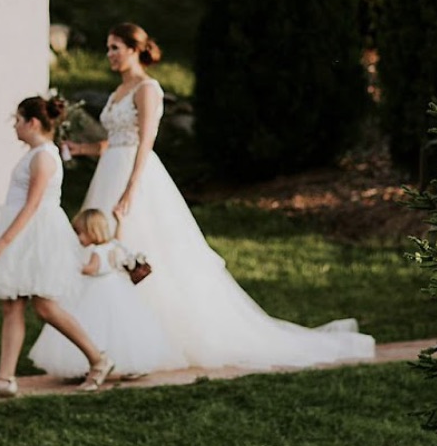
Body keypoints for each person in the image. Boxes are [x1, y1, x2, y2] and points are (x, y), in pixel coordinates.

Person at [65, 23, 375, 369]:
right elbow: (115, 141)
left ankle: (152, 340)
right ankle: (106, 340)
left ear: (135, 49)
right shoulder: (118, 91)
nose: (109, 54)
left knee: (140, 252)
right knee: (104, 251)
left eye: (115, 47)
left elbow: (146, 141)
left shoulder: (147, 88)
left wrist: (130, 190)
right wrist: (81, 148)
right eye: (108, 47)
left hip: (134, 176)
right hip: (109, 173)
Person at [0, 95, 115, 400]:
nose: (15, 126)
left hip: (35, 236)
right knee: (12, 305)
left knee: (45, 306)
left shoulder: (44, 157)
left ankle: (98, 359)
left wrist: (4, 240)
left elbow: (33, 204)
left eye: (18, 120)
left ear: (33, 123)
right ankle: (4, 379)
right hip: (25, 234)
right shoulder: (36, 154)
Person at [29, 208, 182, 380]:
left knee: (94, 325)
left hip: (98, 290)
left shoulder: (97, 251)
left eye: (79, 233)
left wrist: (71, 265)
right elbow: (119, 238)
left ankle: (90, 362)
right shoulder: (113, 245)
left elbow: (91, 269)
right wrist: (120, 222)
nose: (77, 238)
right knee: (121, 327)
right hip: (116, 288)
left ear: (92, 232)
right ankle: (132, 364)